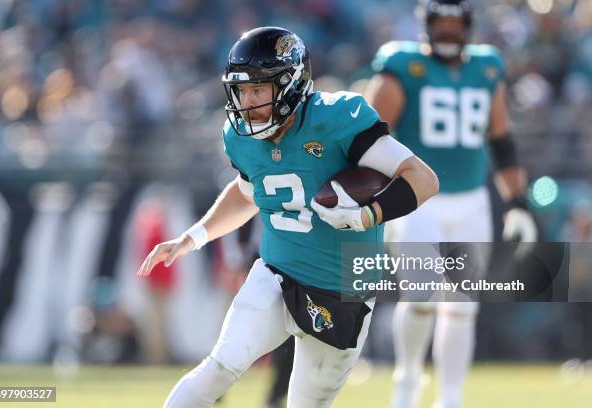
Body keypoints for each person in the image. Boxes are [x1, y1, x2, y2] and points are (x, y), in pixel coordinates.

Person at [138, 26, 438, 408]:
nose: (247, 102)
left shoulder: (338, 118)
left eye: (258, 90)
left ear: (291, 84)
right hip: (277, 274)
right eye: (241, 90)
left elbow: (423, 179)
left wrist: (368, 215)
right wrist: (193, 237)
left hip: (345, 286)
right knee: (220, 366)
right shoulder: (239, 135)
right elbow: (248, 191)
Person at [364, 1, 537, 407]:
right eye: (440, 24)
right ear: (426, 25)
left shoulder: (487, 66)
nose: (447, 32)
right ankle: (407, 382)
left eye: (454, 24)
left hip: (472, 200)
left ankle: (451, 399)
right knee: (421, 295)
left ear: (468, 26)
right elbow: (368, 136)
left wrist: (519, 203)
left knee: (461, 306)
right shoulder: (401, 64)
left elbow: (501, 140)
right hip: (417, 200)